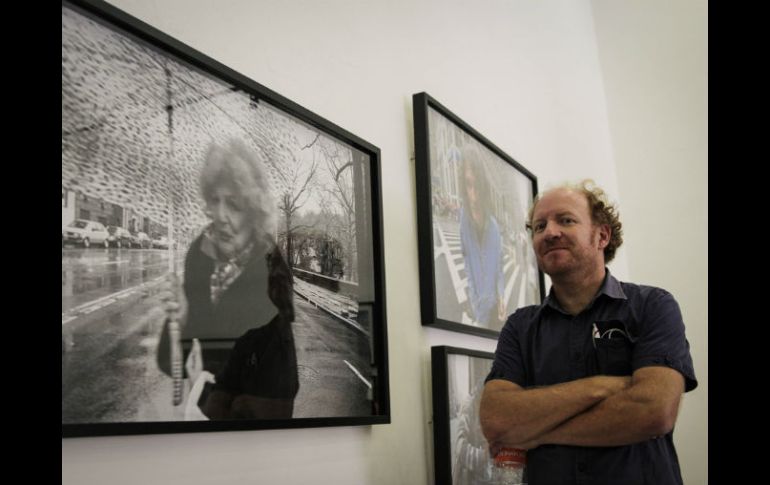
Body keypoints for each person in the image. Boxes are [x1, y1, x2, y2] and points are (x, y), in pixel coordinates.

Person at [479, 179, 697, 485]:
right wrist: (604, 387)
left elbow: (653, 411)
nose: (550, 232)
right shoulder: (520, 326)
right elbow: (496, 418)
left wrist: (537, 433)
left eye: (565, 220)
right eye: (539, 226)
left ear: (602, 235)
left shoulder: (653, 306)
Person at [157, 138, 299, 420]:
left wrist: (205, 391)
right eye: (215, 200)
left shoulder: (271, 273)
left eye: (233, 204)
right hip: (205, 413)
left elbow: (275, 393)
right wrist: (183, 319)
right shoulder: (200, 255)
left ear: (253, 211)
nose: (219, 215)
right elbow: (169, 362)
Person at [457, 144, 506, 328]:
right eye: (469, 185)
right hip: (477, 309)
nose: (474, 195)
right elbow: (466, 260)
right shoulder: (463, 220)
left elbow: (499, 267)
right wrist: (472, 296)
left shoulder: (493, 226)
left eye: (476, 185)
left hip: (493, 311)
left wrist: (501, 295)